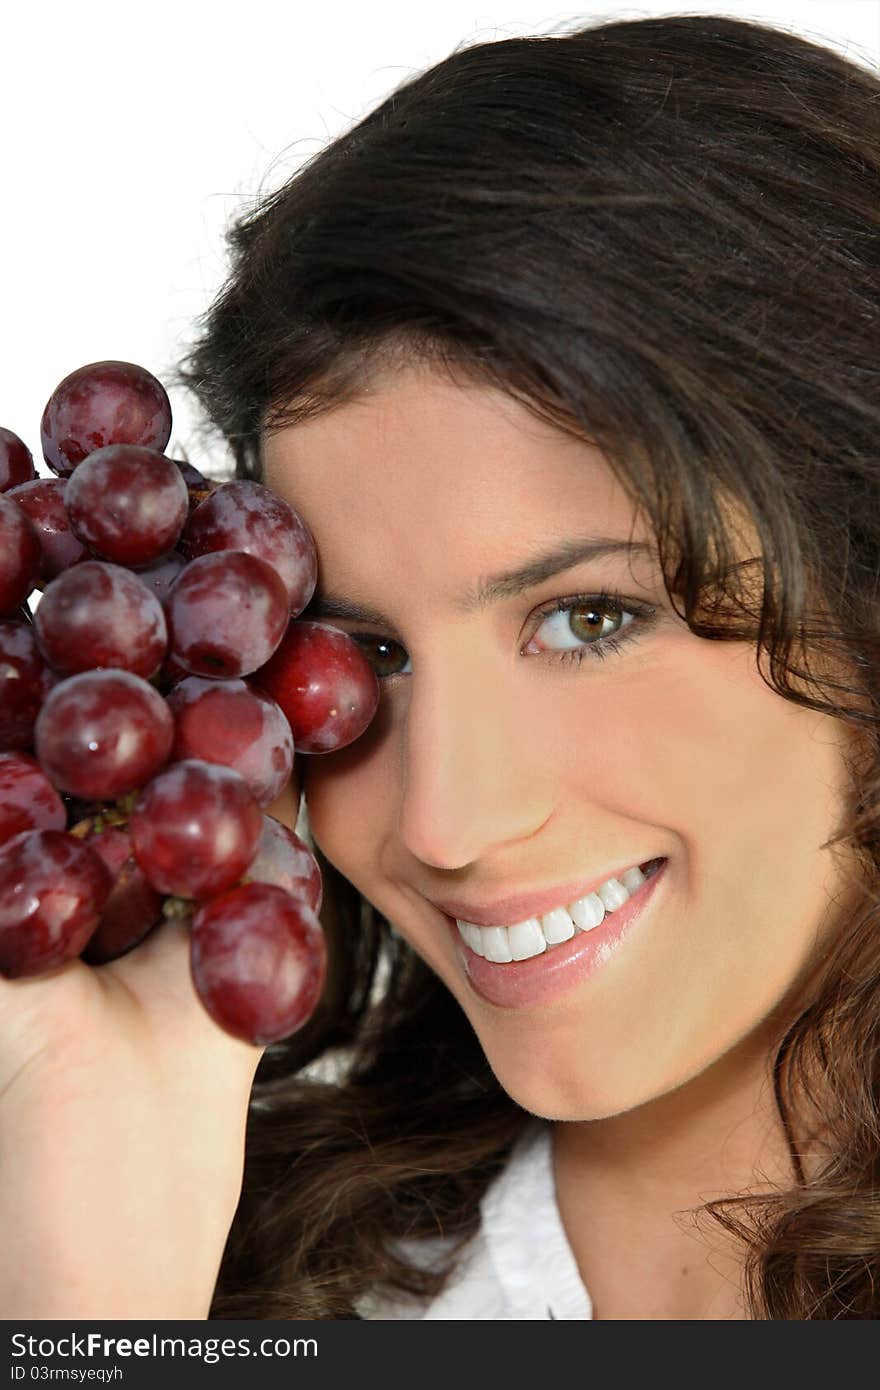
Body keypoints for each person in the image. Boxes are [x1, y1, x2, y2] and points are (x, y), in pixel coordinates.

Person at [1, 11, 878, 1321]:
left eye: (589, 620)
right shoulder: (241, 1292)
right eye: (366, 654)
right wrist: (99, 1297)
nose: (447, 822)